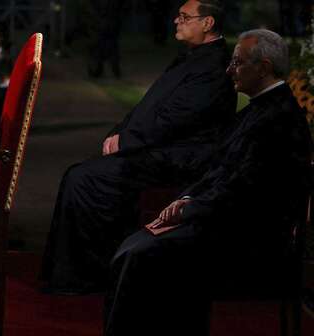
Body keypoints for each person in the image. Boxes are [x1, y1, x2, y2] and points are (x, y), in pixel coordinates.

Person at [104, 28, 312, 336]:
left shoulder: (278, 117)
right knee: (135, 247)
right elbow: (221, 170)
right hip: (227, 220)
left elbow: (247, 187)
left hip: (251, 239)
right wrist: (185, 201)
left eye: (238, 63)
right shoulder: (260, 109)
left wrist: (189, 209)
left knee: (141, 255)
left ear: (264, 68)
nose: (229, 70)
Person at [41, 0, 237, 294]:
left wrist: (126, 141)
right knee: (82, 173)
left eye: (184, 17)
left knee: (84, 179)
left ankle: (87, 275)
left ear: (208, 23)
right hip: (158, 147)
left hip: (180, 157)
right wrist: (118, 132)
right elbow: (149, 106)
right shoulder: (192, 57)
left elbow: (177, 119)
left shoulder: (213, 65)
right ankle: (75, 271)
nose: (176, 21)